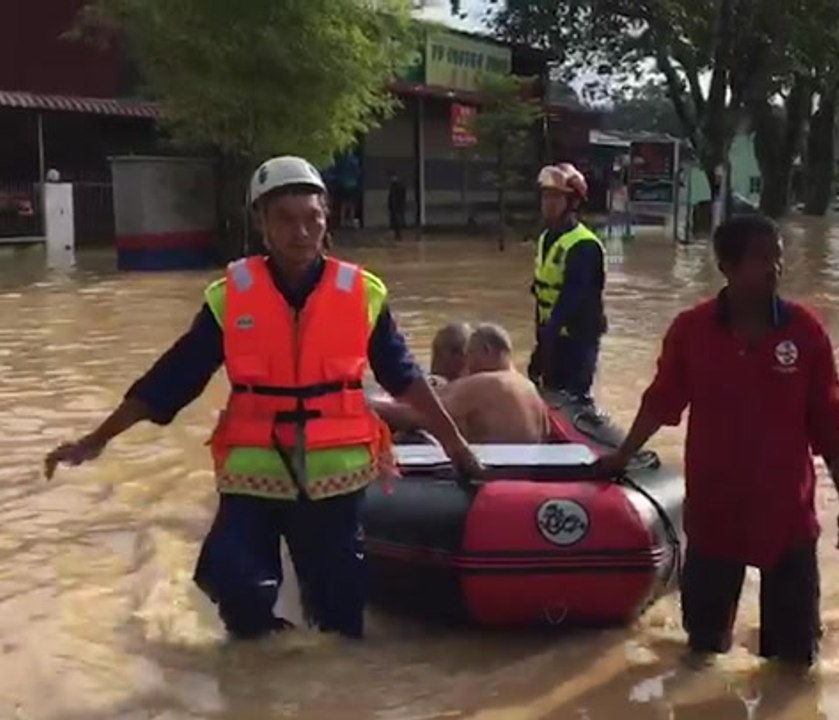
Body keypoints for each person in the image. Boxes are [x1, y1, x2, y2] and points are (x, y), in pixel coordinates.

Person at [43, 156, 482, 642]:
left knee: (338, 616)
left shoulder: (362, 293)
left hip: (334, 477)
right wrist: (97, 438)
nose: (301, 232)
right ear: (261, 223)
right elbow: (171, 379)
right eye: (285, 219)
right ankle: (258, 676)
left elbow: (407, 380)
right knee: (236, 584)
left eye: (312, 218)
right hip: (254, 473)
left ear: (327, 217)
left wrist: (457, 447)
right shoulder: (230, 296)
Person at [595, 216, 839, 667]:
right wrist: (622, 455)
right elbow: (661, 402)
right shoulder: (692, 331)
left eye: (778, 256)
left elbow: (832, 427)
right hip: (714, 515)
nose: (774, 268)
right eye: (762, 258)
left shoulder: (805, 332)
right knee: (703, 653)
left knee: (795, 665)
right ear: (726, 265)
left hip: (787, 518)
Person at [529, 163, 607, 399]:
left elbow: (570, 299)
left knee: (572, 400)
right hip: (552, 338)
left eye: (556, 197)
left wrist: (544, 346)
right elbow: (541, 293)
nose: (548, 203)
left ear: (572, 203)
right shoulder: (546, 239)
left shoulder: (584, 246)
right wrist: (541, 345)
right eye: (545, 197)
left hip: (577, 343)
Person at [439, 323, 551, 444]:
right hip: (529, 460)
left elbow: (427, 411)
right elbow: (545, 433)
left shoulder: (487, 383)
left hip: (495, 461)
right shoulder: (531, 390)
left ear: (487, 350)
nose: (467, 364)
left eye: (469, 354)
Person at [388, 171, 407, 241]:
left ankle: (399, 234)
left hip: (398, 206)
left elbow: (401, 196)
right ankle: (397, 234)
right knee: (396, 220)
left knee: (398, 220)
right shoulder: (393, 185)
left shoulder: (399, 185)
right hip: (395, 206)